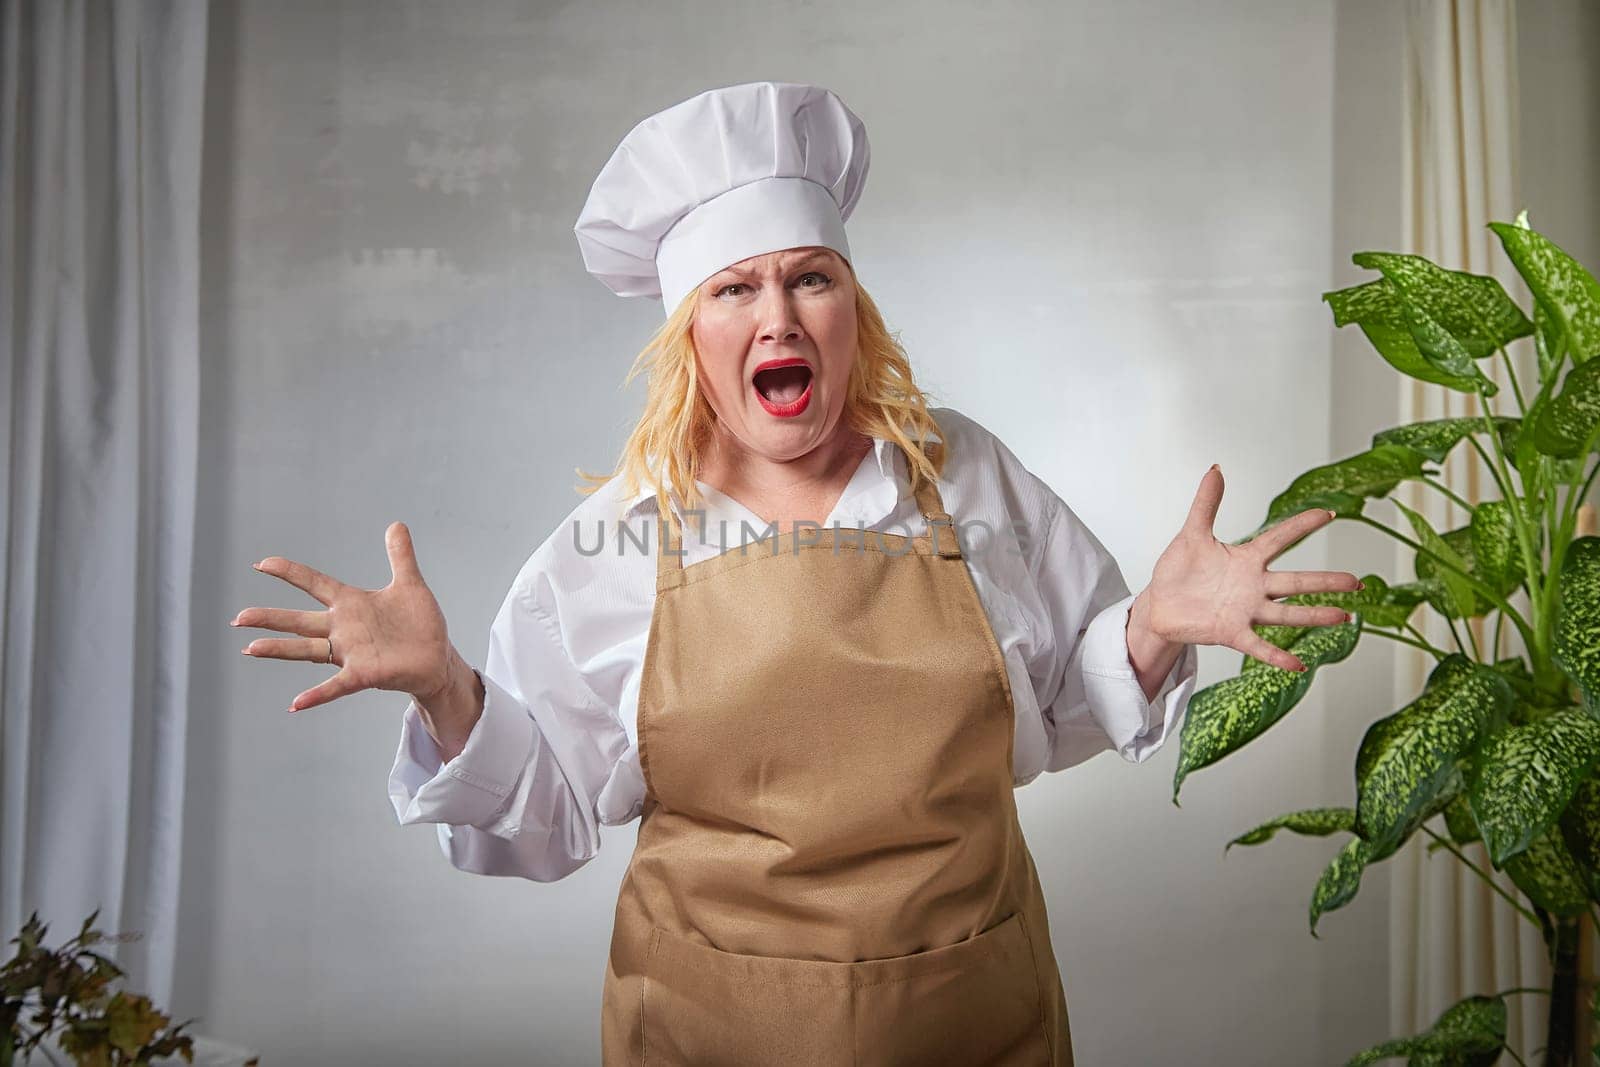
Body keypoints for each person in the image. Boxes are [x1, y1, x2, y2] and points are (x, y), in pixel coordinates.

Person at [234, 81, 1360, 1066]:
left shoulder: (958, 471)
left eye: (808, 279)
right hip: (712, 1026)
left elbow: (1060, 700)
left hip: (972, 1016)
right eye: (734, 290)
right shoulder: (621, 534)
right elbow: (546, 818)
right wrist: (447, 688)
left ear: (850, 311)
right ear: (691, 337)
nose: (777, 313)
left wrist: (1155, 623)